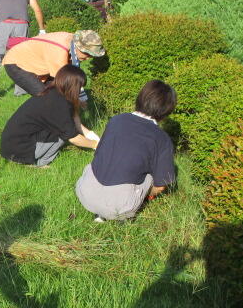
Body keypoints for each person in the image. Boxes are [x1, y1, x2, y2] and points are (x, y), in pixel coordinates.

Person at [75, 80, 177, 222]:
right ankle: (117, 213)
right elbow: (160, 185)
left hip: (85, 192)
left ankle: (101, 213)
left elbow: (100, 154)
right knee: (151, 176)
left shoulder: (116, 120)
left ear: (140, 98)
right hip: (120, 206)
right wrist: (146, 196)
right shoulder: (162, 138)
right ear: (166, 111)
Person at [0, 65, 99, 167]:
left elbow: (75, 119)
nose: (81, 90)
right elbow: (73, 137)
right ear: (72, 86)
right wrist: (95, 145)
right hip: (19, 150)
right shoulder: (59, 105)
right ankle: (39, 163)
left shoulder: (54, 91)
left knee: (63, 128)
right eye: (80, 87)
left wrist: (89, 134)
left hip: (11, 145)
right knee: (62, 134)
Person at [2, 30, 105, 101]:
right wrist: (79, 101)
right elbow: (67, 82)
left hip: (38, 63)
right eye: (87, 54)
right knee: (45, 98)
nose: (88, 58)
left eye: (92, 55)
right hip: (16, 62)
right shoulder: (59, 51)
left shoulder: (73, 42)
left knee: (56, 96)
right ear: (78, 47)